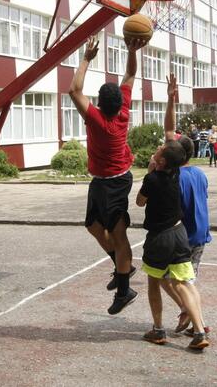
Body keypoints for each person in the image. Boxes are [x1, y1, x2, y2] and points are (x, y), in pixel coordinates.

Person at [68, 35, 148, 314]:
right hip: (103, 180)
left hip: (114, 182)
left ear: (100, 104)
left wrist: (87, 59)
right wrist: (131, 50)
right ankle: (123, 265)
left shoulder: (98, 120)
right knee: (92, 226)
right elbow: (130, 74)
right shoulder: (122, 110)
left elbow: (74, 90)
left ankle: (125, 290)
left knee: (118, 233)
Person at [136, 115, 210, 349]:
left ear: (162, 161)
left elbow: (140, 202)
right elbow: (172, 143)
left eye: (159, 151)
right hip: (180, 233)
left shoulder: (153, 179)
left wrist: (150, 171)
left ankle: (158, 329)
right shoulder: (179, 171)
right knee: (184, 283)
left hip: (160, 237)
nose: (158, 149)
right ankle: (199, 332)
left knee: (154, 281)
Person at [157, 75, 211, 338]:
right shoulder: (199, 174)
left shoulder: (173, 178)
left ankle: (189, 312)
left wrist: (171, 98)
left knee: (167, 278)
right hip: (200, 235)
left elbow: (168, 133)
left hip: (182, 237)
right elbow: (170, 132)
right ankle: (194, 318)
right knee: (187, 282)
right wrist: (171, 98)